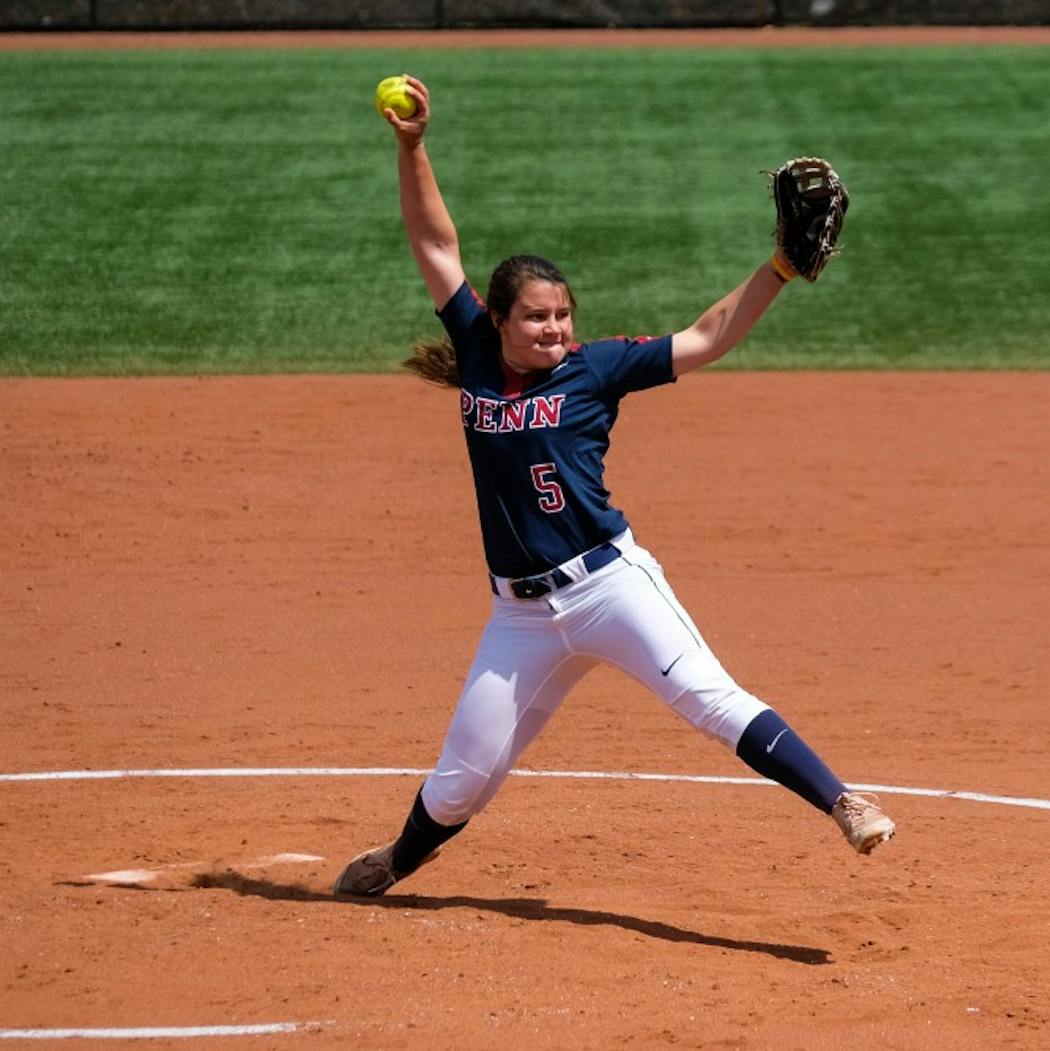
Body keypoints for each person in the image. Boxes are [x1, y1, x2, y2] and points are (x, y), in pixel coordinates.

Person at [333, 75, 895, 897]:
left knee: (709, 696)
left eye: (562, 314)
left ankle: (842, 799)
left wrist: (777, 265)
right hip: (519, 615)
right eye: (536, 317)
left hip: (608, 586)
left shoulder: (597, 369)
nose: (555, 328)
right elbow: (436, 245)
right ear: (497, 321)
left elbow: (706, 337)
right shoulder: (479, 356)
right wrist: (413, 148)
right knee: (462, 776)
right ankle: (396, 861)